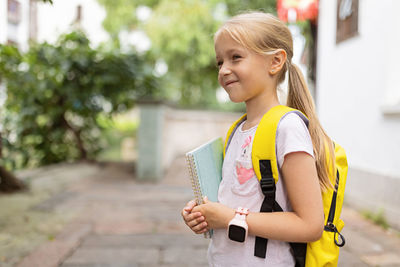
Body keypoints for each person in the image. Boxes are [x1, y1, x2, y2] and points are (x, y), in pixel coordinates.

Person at [181, 11, 335, 266]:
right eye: (220, 62)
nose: (224, 70)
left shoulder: (287, 128)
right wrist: (205, 213)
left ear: (275, 62)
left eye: (236, 57)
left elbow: (310, 225)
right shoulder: (236, 131)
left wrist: (230, 217)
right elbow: (238, 202)